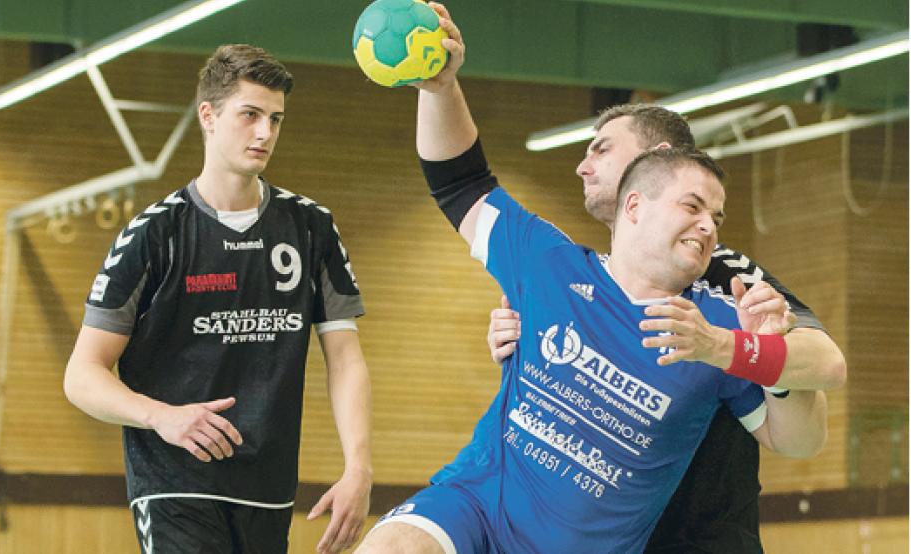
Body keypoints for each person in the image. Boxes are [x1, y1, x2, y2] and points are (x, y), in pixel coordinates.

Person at [355, 4, 833, 553]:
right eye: (693, 208)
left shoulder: (726, 304)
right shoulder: (547, 259)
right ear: (636, 203)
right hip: (477, 506)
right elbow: (460, 182)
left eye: (714, 215)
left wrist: (755, 352)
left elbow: (804, 422)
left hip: (695, 535)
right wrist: (440, 89)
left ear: (651, 163)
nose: (708, 226)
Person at [483, 91, 847, 554]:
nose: (583, 166)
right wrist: (519, 336)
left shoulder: (719, 269)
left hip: (701, 536)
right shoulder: (595, 273)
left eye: (603, 148)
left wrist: (723, 346)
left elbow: (824, 361)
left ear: (658, 160)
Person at [63, 44, 372, 554]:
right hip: (174, 483)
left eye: (275, 119)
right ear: (208, 115)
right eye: (250, 115)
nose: (264, 133)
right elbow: (82, 375)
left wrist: (359, 466)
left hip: (267, 489)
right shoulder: (153, 235)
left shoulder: (311, 227)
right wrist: (162, 416)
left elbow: (345, 358)